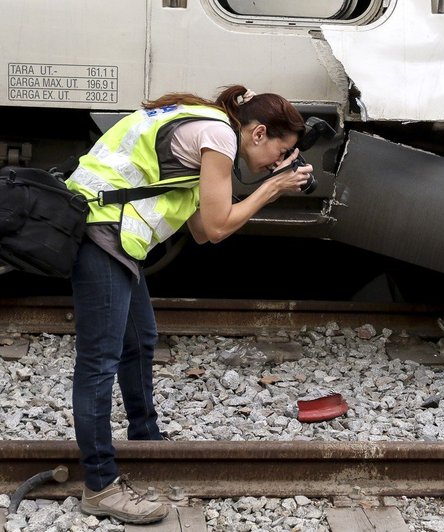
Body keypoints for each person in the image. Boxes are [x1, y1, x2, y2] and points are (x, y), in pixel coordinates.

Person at [65, 86, 311, 524]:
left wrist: (262, 186)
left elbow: (198, 229)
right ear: (257, 133)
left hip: (117, 238)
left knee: (140, 341)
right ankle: (99, 486)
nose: (280, 161)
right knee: (98, 363)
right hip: (101, 233)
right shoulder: (218, 136)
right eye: (282, 149)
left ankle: (144, 438)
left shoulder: (207, 134)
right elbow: (217, 228)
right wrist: (271, 188)